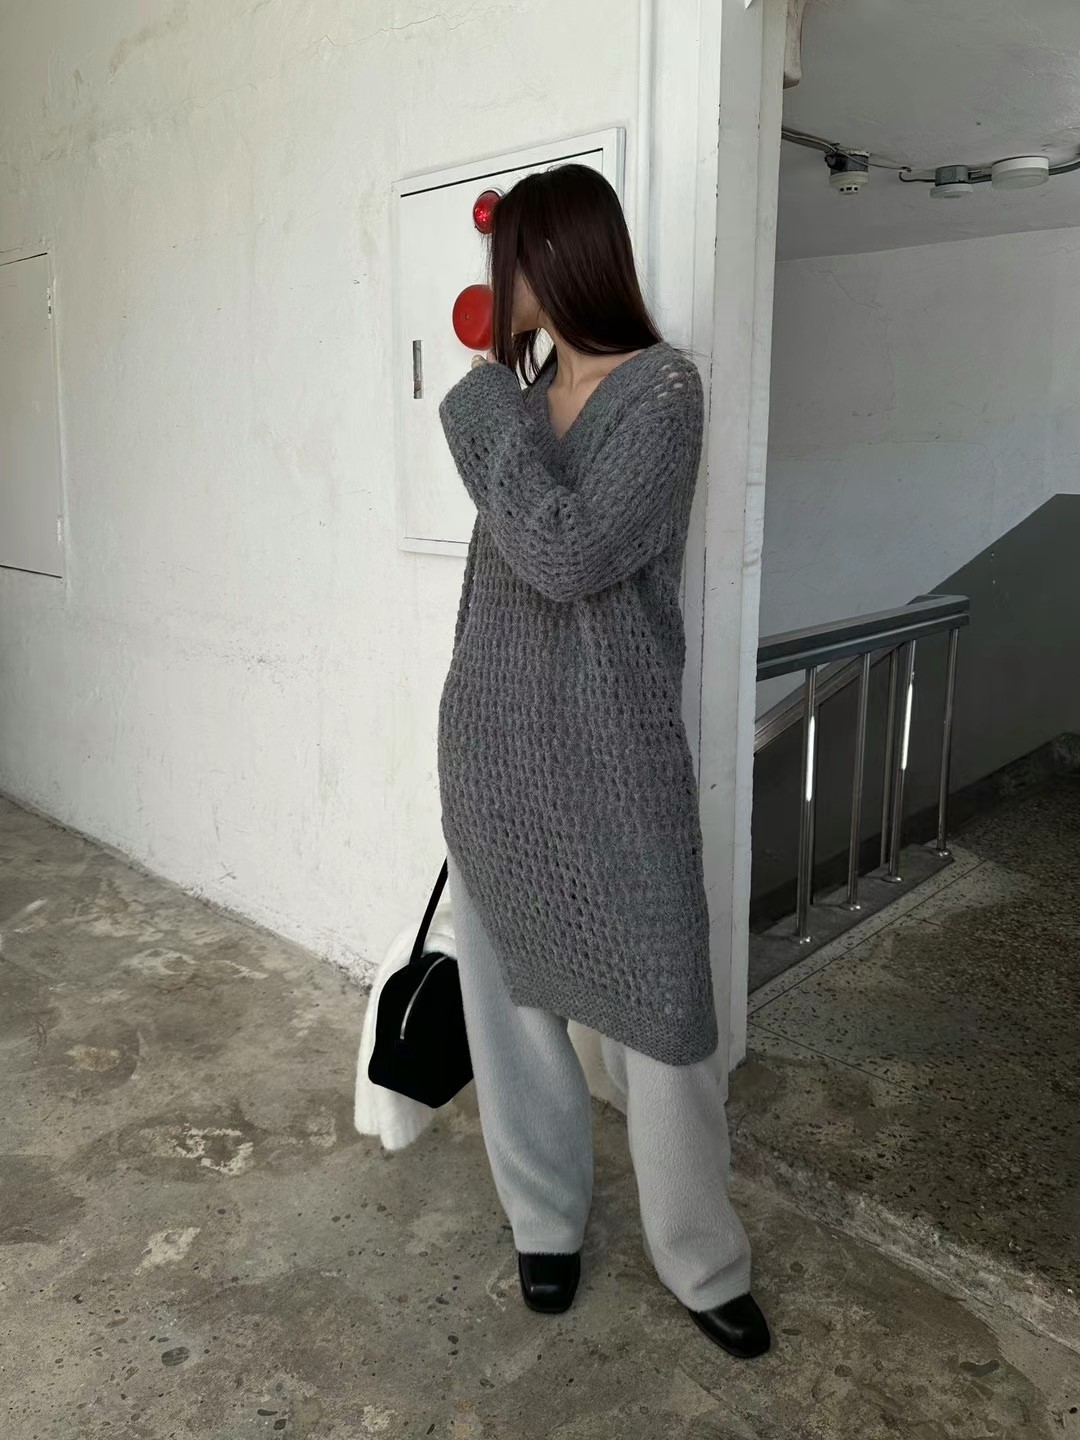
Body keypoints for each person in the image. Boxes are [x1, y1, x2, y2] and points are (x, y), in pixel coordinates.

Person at [435, 164, 770, 1359]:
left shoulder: (661, 393)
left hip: (614, 764)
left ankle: (701, 1258)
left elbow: (566, 553)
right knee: (510, 1009)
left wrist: (481, 409)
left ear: (558, 258)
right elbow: (500, 585)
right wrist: (505, 406)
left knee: (666, 1019)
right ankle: (545, 1223)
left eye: (512, 258)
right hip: (493, 756)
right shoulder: (525, 402)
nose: (498, 281)